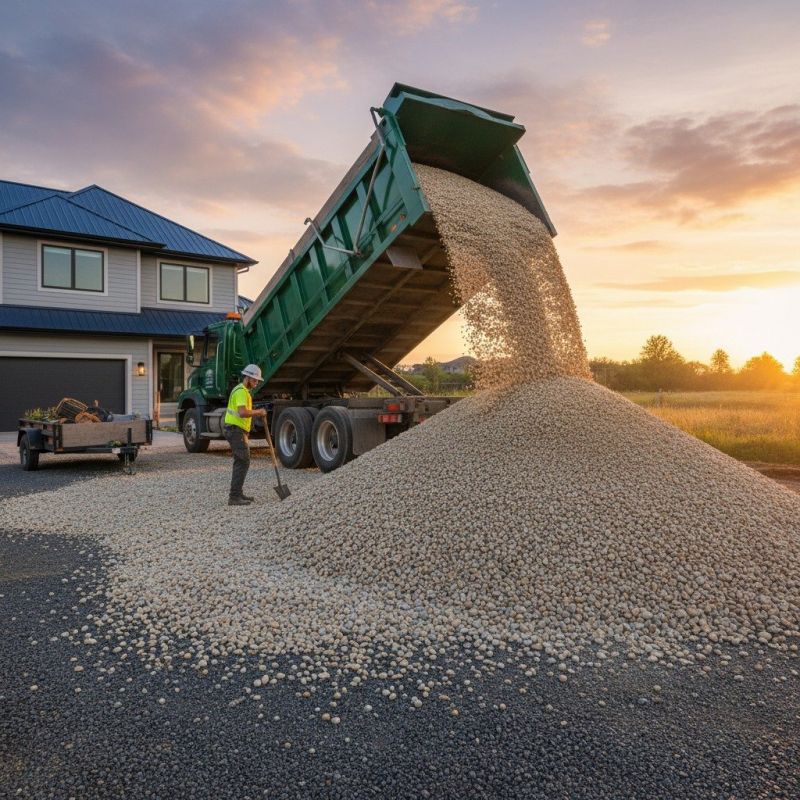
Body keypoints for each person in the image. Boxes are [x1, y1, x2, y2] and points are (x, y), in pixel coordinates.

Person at [224, 364, 267, 506]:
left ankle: (238, 493)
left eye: (257, 381)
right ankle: (234, 496)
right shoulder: (241, 391)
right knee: (243, 461)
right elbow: (242, 412)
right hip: (235, 430)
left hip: (237, 430)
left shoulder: (242, 391)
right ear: (247, 378)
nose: (256, 383)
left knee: (242, 461)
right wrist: (258, 412)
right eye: (254, 380)